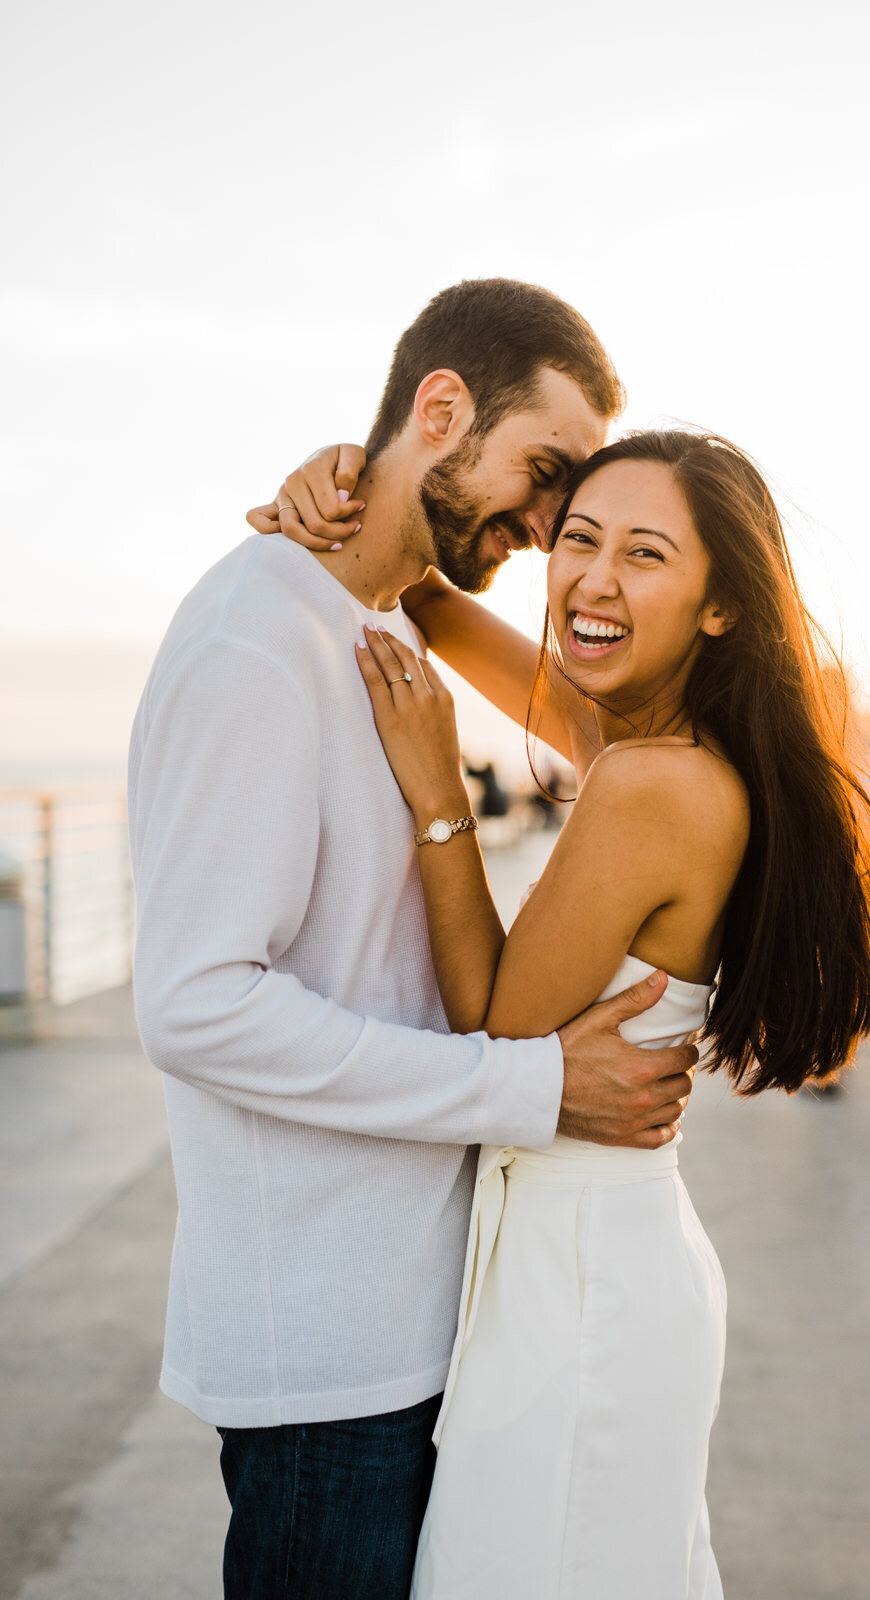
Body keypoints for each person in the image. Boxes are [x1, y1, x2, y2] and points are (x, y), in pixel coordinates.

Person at [128, 279, 702, 1600]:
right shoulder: (255, 644)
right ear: (442, 409)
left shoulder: (376, 622)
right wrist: (535, 1089)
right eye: (547, 473)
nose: (556, 527)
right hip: (328, 1361)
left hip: (423, 1321)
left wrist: (392, 549)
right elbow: (199, 1004)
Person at [279, 428, 870, 1597]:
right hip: (593, 1262)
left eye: (644, 553)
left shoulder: (652, 784)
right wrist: (359, 507)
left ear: (721, 603)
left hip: (582, 1290)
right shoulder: (666, 752)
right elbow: (482, 643)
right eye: (575, 541)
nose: (593, 579)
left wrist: (436, 792)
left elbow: (494, 1025)